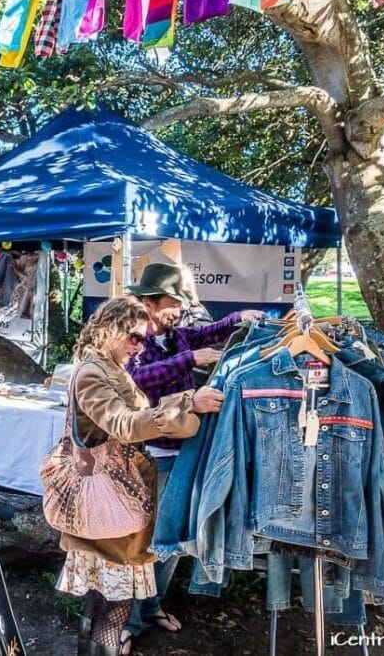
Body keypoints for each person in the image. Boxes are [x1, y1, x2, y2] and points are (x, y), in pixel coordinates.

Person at [54, 296, 222, 655]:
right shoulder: (93, 373)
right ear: (112, 329)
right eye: (135, 337)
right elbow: (124, 424)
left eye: (143, 338)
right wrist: (187, 402)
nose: (140, 346)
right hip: (108, 498)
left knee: (101, 596)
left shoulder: (107, 366)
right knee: (115, 602)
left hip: (111, 495)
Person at [122, 262, 263, 639]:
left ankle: (151, 607)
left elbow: (207, 333)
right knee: (145, 540)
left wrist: (238, 318)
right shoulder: (133, 341)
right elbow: (137, 381)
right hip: (151, 455)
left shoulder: (176, 336)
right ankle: (128, 622)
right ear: (150, 304)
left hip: (183, 451)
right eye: (173, 303)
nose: (180, 310)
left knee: (174, 536)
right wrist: (191, 364)